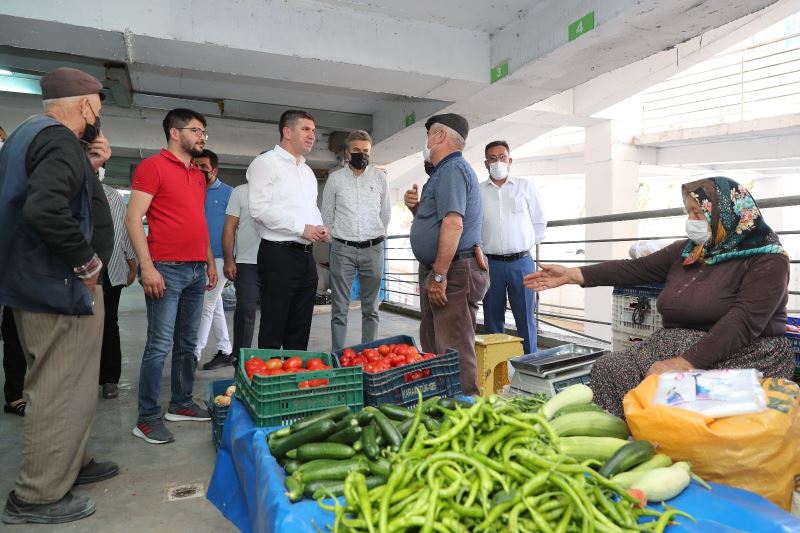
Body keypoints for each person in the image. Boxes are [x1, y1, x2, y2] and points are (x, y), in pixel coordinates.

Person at [524, 177, 793, 417]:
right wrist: (573, 274)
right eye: (689, 213)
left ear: (726, 214)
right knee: (611, 368)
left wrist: (686, 362)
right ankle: (629, 443)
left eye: (699, 213)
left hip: (740, 350)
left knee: (676, 392)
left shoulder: (767, 260)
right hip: (672, 344)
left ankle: (671, 450)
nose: (692, 221)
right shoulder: (687, 252)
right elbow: (633, 269)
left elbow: (744, 321)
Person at [0, 67, 118, 524]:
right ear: (87, 106)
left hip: (36, 283)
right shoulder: (59, 141)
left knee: (69, 382)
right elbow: (45, 208)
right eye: (99, 110)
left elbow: (48, 194)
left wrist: (88, 166)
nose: (98, 118)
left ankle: (72, 462)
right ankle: (36, 495)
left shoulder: (31, 135)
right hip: (60, 287)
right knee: (57, 387)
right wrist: (87, 263)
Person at [125, 108, 217, 445]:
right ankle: (146, 418)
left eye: (204, 131)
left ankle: (180, 403)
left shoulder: (197, 174)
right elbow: (133, 219)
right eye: (196, 130)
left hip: (195, 268)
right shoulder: (152, 167)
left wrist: (208, 261)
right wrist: (146, 266)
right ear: (174, 133)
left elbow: (198, 221)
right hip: (165, 268)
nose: (202, 137)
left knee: (187, 343)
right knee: (159, 345)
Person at [404, 113, 489, 396]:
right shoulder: (443, 171)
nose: (426, 143)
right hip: (444, 267)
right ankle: (443, 402)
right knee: (435, 341)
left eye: (428, 136)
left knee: (453, 347)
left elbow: (454, 223)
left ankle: (467, 412)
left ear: (439, 136)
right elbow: (440, 222)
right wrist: (417, 211)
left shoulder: (452, 170)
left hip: (452, 269)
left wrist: (439, 275)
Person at [247, 109, 330, 350]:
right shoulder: (265, 164)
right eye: (305, 129)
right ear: (287, 131)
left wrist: (319, 227)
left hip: (306, 257)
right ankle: (270, 384)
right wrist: (301, 228)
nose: (312, 135)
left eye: (313, 131)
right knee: (274, 325)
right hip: (278, 255)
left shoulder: (307, 171)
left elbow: (310, 208)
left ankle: (294, 379)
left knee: (300, 326)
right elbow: (259, 210)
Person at [321, 130, 391, 351]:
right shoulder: (335, 179)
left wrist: (376, 235)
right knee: (339, 309)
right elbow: (327, 215)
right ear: (347, 152)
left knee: (371, 309)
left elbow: (386, 213)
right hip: (343, 249)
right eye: (356, 151)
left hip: (373, 248)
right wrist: (338, 238)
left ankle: (369, 354)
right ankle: (338, 357)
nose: (361, 154)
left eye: (366, 151)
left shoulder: (380, 178)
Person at [480, 140, 547, 354]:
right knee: (492, 318)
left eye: (502, 157)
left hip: (522, 262)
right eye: (492, 158)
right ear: (486, 163)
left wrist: (524, 244)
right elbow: (473, 226)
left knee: (526, 317)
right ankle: (495, 371)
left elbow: (539, 221)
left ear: (509, 161)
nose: (497, 162)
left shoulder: (525, 186)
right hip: (491, 263)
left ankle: (530, 367)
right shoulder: (479, 192)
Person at [99, 168, 138, 399]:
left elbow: (123, 232)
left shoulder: (112, 195)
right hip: (73, 269)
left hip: (108, 270)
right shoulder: (68, 188)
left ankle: (109, 378)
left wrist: (132, 264)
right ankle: (86, 378)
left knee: (108, 323)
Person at [193, 149, 234, 370]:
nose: (199, 171)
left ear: (214, 170)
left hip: (219, 257)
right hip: (198, 256)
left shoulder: (230, 193)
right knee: (215, 304)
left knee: (206, 305)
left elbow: (236, 227)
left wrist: (231, 259)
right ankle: (226, 351)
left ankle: (194, 353)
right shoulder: (192, 190)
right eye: (195, 166)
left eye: (204, 168)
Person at [222, 182, 261, 364]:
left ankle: (267, 363)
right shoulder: (241, 191)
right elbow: (229, 227)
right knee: (246, 310)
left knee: (273, 314)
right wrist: (229, 260)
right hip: (247, 262)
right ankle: (239, 358)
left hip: (277, 263)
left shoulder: (283, 190)